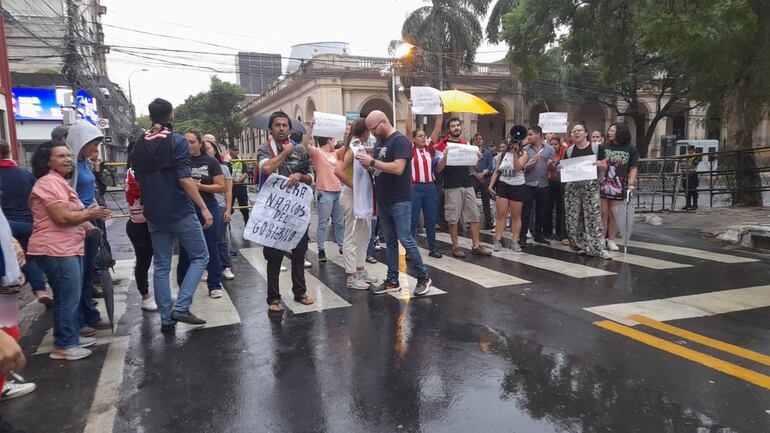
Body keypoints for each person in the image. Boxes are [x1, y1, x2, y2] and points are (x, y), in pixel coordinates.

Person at [131, 98, 211, 333]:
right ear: (171, 116)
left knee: (162, 265)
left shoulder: (139, 144)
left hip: (154, 213)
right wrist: (204, 208)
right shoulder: (176, 142)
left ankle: (167, 320)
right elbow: (185, 179)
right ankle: (182, 306)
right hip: (179, 210)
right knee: (200, 257)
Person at [28, 141, 112, 360]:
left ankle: (70, 336)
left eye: (68, 155)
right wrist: (89, 215)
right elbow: (62, 217)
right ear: (47, 161)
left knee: (70, 296)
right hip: (56, 249)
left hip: (67, 247)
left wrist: (87, 224)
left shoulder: (59, 182)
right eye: (61, 156)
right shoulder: (48, 184)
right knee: (68, 297)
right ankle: (65, 345)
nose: (67, 159)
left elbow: (71, 213)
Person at [355, 111, 431, 296]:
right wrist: (370, 167)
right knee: (389, 241)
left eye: (374, 129)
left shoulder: (400, 141)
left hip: (400, 199)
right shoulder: (381, 142)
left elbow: (398, 168)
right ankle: (392, 280)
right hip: (384, 198)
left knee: (405, 238)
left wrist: (372, 161)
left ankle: (423, 277)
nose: (372, 133)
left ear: (383, 122)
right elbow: (382, 169)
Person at [257, 111, 315, 312]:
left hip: (296, 211)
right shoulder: (264, 149)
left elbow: (311, 178)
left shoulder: (300, 150)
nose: (281, 128)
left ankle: (300, 292)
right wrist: (285, 152)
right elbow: (266, 169)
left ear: (289, 128)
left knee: (299, 253)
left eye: (284, 125)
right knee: (274, 256)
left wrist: (300, 174)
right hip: (273, 213)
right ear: (271, 129)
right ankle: (273, 298)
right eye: (277, 125)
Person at [67, 120, 111, 336]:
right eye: (92, 146)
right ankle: (80, 318)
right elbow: (67, 198)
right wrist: (84, 218)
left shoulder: (84, 163)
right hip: (77, 223)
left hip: (91, 220)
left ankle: (90, 315)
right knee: (78, 275)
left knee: (87, 274)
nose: (95, 151)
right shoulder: (70, 166)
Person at [0, 140, 51, 305]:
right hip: (27, 223)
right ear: (8, 153)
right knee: (30, 259)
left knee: (7, 267)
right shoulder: (24, 174)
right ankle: (40, 290)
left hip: (5, 228)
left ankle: (6, 323)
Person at [434, 117, 493, 258]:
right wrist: (445, 156)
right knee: (453, 218)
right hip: (451, 185)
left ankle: (476, 245)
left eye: (458, 125)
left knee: (474, 216)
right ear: (448, 129)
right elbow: (439, 169)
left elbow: (473, 166)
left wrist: (476, 158)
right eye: (453, 126)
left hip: (467, 183)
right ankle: (455, 247)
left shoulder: (466, 143)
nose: (456, 128)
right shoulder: (441, 146)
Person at [334, 119, 379, 290]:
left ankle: (360, 270)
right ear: (365, 131)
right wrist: (353, 185)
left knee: (364, 234)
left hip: (361, 197)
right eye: (370, 130)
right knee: (352, 235)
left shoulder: (359, 147)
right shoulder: (352, 149)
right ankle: (351, 276)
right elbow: (337, 170)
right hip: (351, 196)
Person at [182, 129, 225, 298]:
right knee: (186, 249)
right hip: (185, 210)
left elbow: (221, 186)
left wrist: (200, 187)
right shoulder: (180, 161)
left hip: (208, 206)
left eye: (192, 142)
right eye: (185, 142)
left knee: (211, 246)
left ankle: (214, 284)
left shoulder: (210, 161)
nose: (188, 146)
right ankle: (185, 286)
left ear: (200, 143)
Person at [561, 124, 613, 259]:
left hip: (590, 188)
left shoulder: (596, 148)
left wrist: (601, 165)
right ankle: (580, 245)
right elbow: (565, 167)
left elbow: (605, 166)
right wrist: (561, 168)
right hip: (573, 187)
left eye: (579, 131)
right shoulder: (569, 151)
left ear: (586, 133)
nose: (576, 133)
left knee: (593, 218)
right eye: (574, 131)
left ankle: (597, 248)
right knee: (574, 217)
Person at [405, 100, 443, 259]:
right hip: (415, 188)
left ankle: (433, 248)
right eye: (420, 136)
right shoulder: (410, 148)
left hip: (430, 188)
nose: (423, 137)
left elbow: (437, 129)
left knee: (430, 219)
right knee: (413, 221)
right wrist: (409, 109)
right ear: (413, 139)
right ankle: (410, 251)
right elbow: (407, 130)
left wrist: (441, 110)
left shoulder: (429, 147)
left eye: (424, 135)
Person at [597, 122, 639, 252]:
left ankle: (611, 240)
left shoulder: (630, 148)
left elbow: (633, 168)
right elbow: (598, 163)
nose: (609, 132)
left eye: (612, 130)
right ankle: (601, 239)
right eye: (609, 130)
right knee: (603, 212)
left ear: (620, 132)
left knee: (614, 213)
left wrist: (631, 184)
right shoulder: (603, 147)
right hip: (603, 183)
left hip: (619, 184)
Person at [124, 155, 159, 312]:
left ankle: (161, 292)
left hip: (157, 223)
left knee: (162, 260)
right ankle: (146, 296)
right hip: (139, 225)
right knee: (143, 262)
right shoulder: (132, 173)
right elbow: (142, 190)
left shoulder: (154, 171)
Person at [306, 135, 344, 263]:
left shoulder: (335, 153)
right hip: (325, 192)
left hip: (338, 192)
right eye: (333, 140)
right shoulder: (317, 152)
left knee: (339, 222)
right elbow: (305, 146)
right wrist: (310, 130)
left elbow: (348, 146)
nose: (334, 142)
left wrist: (348, 132)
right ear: (328, 140)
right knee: (323, 222)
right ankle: (321, 249)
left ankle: (342, 246)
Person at [519, 125, 557, 247]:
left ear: (538, 135)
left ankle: (538, 235)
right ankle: (522, 236)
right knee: (526, 212)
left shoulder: (549, 149)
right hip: (528, 183)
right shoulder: (525, 149)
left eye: (530, 134)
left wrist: (550, 165)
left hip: (543, 183)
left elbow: (554, 168)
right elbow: (522, 168)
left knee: (542, 211)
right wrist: (530, 165)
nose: (528, 137)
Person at [488, 138, 529, 251]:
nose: (513, 142)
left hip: (518, 186)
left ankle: (515, 241)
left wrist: (515, 153)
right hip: (503, 185)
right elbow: (497, 170)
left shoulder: (524, 154)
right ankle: (498, 240)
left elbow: (517, 167)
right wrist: (491, 185)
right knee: (501, 214)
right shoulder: (502, 154)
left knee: (516, 216)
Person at [203, 138, 235, 281]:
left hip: (220, 206)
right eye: (204, 147)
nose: (206, 150)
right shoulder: (197, 167)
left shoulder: (224, 168)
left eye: (209, 147)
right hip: (202, 207)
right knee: (204, 239)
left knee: (221, 239)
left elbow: (228, 191)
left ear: (215, 150)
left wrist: (228, 210)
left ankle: (225, 266)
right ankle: (206, 268)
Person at [543, 135, 568, 245]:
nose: (553, 146)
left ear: (560, 144)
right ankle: (547, 231)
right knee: (548, 207)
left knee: (560, 208)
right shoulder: (548, 152)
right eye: (551, 144)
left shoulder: (565, 152)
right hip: (549, 181)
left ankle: (560, 233)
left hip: (561, 182)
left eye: (555, 144)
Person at [472, 133, 496, 230]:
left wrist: (483, 173)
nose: (478, 140)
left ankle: (488, 222)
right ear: (473, 141)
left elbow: (490, 165)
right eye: (476, 139)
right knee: (472, 202)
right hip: (473, 178)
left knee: (486, 202)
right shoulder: (471, 152)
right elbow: (469, 164)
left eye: (480, 139)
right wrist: (475, 174)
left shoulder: (487, 153)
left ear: (482, 140)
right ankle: (472, 221)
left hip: (484, 179)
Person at [227, 145, 252, 223]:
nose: (236, 152)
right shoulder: (227, 161)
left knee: (243, 204)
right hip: (230, 186)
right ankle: (227, 222)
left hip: (240, 186)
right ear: (230, 150)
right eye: (234, 150)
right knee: (229, 205)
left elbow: (245, 172)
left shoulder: (241, 161)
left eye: (237, 150)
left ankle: (246, 221)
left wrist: (239, 180)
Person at [681, 145, 700, 210]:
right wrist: (685, 166)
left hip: (693, 175)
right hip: (685, 174)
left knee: (693, 190)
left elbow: (693, 166)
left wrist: (686, 166)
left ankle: (695, 205)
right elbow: (682, 166)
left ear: (693, 150)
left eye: (689, 150)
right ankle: (688, 204)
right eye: (688, 150)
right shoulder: (686, 157)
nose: (688, 151)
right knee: (686, 190)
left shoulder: (695, 157)